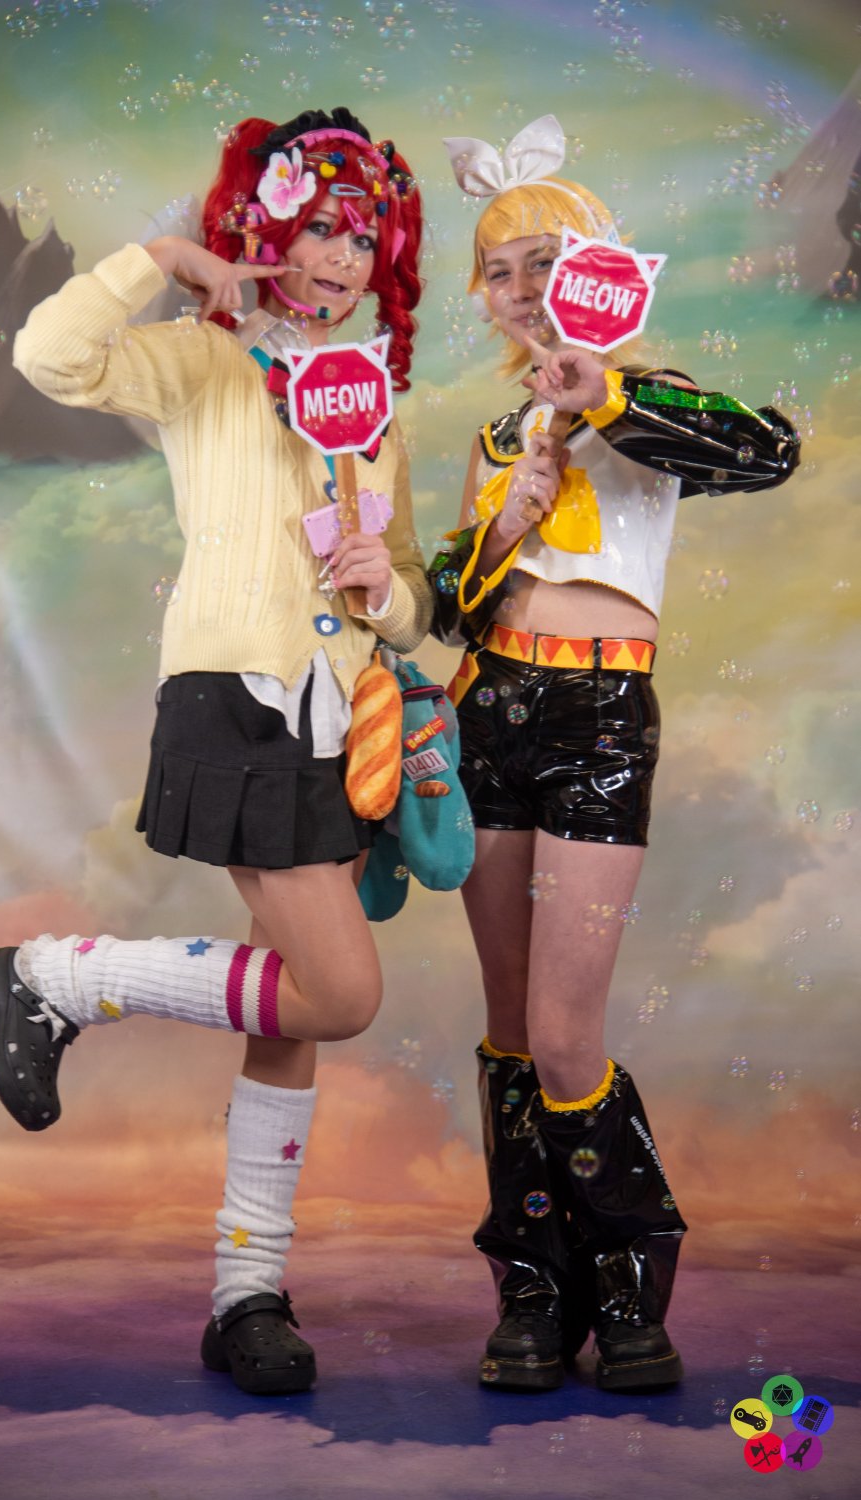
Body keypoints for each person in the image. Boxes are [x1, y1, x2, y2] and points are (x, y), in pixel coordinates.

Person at [0, 106, 430, 1396]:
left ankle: (247, 1296)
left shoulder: (374, 411)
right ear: (266, 225)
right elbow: (49, 356)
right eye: (319, 227)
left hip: (340, 719)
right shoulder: (205, 363)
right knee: (339, 993)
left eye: (363, 238)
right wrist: (165, 262)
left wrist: (382, 589)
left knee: (296, 1007)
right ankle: (53, 975)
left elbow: (408, 596)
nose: (338, 258)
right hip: (234, 694)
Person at [433, 116, 799, 1393]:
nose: (521, 287)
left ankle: (629, 1281)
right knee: (505, 1031)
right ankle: (533, 1295)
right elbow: (452, 608)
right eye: (499, 269)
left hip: (598, 719)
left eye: (545, 260)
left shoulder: (646, 403)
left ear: (597, 268)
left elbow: (768, 451)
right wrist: (502, 528)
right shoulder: (495, 442)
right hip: (490, 713)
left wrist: (603, 395)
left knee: (561, 1033)